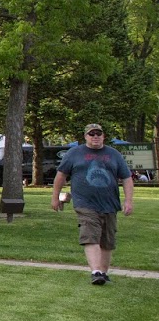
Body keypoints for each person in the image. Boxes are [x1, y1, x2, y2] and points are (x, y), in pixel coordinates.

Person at [53, 122, 135, 285]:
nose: (95, 136)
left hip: (110, 204)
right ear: (85, 136)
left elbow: (126, 178)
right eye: (92, 134)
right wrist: (55, 197)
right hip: (85, 203)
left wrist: (128, 201)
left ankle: (103, 273)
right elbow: (61, 176)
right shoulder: (74, 153)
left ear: (103, 136)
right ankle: (96, 271)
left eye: (98, 133)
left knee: (107, 241)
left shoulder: (114, 154)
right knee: (90, 236)